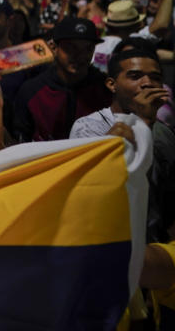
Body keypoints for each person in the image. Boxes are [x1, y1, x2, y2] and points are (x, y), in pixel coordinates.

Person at [69, 48, 174, 243]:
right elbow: (99, 184)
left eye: (155, 77)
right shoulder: (89, 126)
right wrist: (142, 122)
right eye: (135, 76)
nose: (147, 84)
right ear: (112, 84)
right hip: (111, 239)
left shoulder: (164, 132)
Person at [12, 17, 111, 142]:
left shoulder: (104, 88)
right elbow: (20, 139)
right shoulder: (32, 90)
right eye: (71, 47)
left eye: (87, 49)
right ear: (53, 48)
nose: (80, 56)